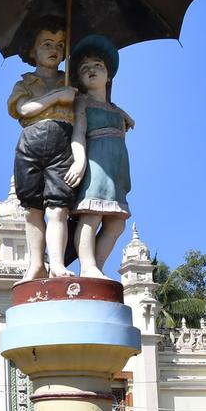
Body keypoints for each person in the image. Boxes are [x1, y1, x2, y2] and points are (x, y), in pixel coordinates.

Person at [7, 18, 80, 281]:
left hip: (63, 143)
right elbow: (24, 109)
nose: (54, 50)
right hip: (30, 144)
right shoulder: (25, 83)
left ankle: (57, 263)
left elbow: (83, 114)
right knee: (31, 208)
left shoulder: (71, 80)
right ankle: (36, 263)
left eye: (60, 45)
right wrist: (56, 97)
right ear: (32, 51)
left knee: (58, 207)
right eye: (47, 44)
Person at [66, 34, 134, 278]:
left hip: (116, 173)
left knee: (117, 223)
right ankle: (87, 266)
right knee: (91, 216)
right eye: (85, 68)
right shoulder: (82, 102)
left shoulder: (117, 110)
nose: (91, 70)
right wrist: (80, 160)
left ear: (109, 75)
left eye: (98, 66)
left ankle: (98, 266)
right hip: (95, 167)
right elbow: (78, 134)